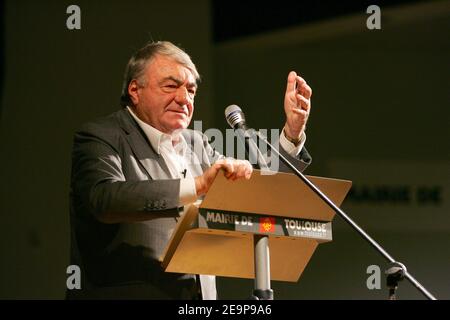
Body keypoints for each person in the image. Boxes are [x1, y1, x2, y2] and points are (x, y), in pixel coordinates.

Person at [68, 41, 312, 300]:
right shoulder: (101, 136)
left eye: (191, 90)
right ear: (135, 90)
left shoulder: (198, 144)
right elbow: (105, 199)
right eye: (171, 86)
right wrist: (196, 186)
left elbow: (261, 192)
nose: (184, 99)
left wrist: (292, 134)